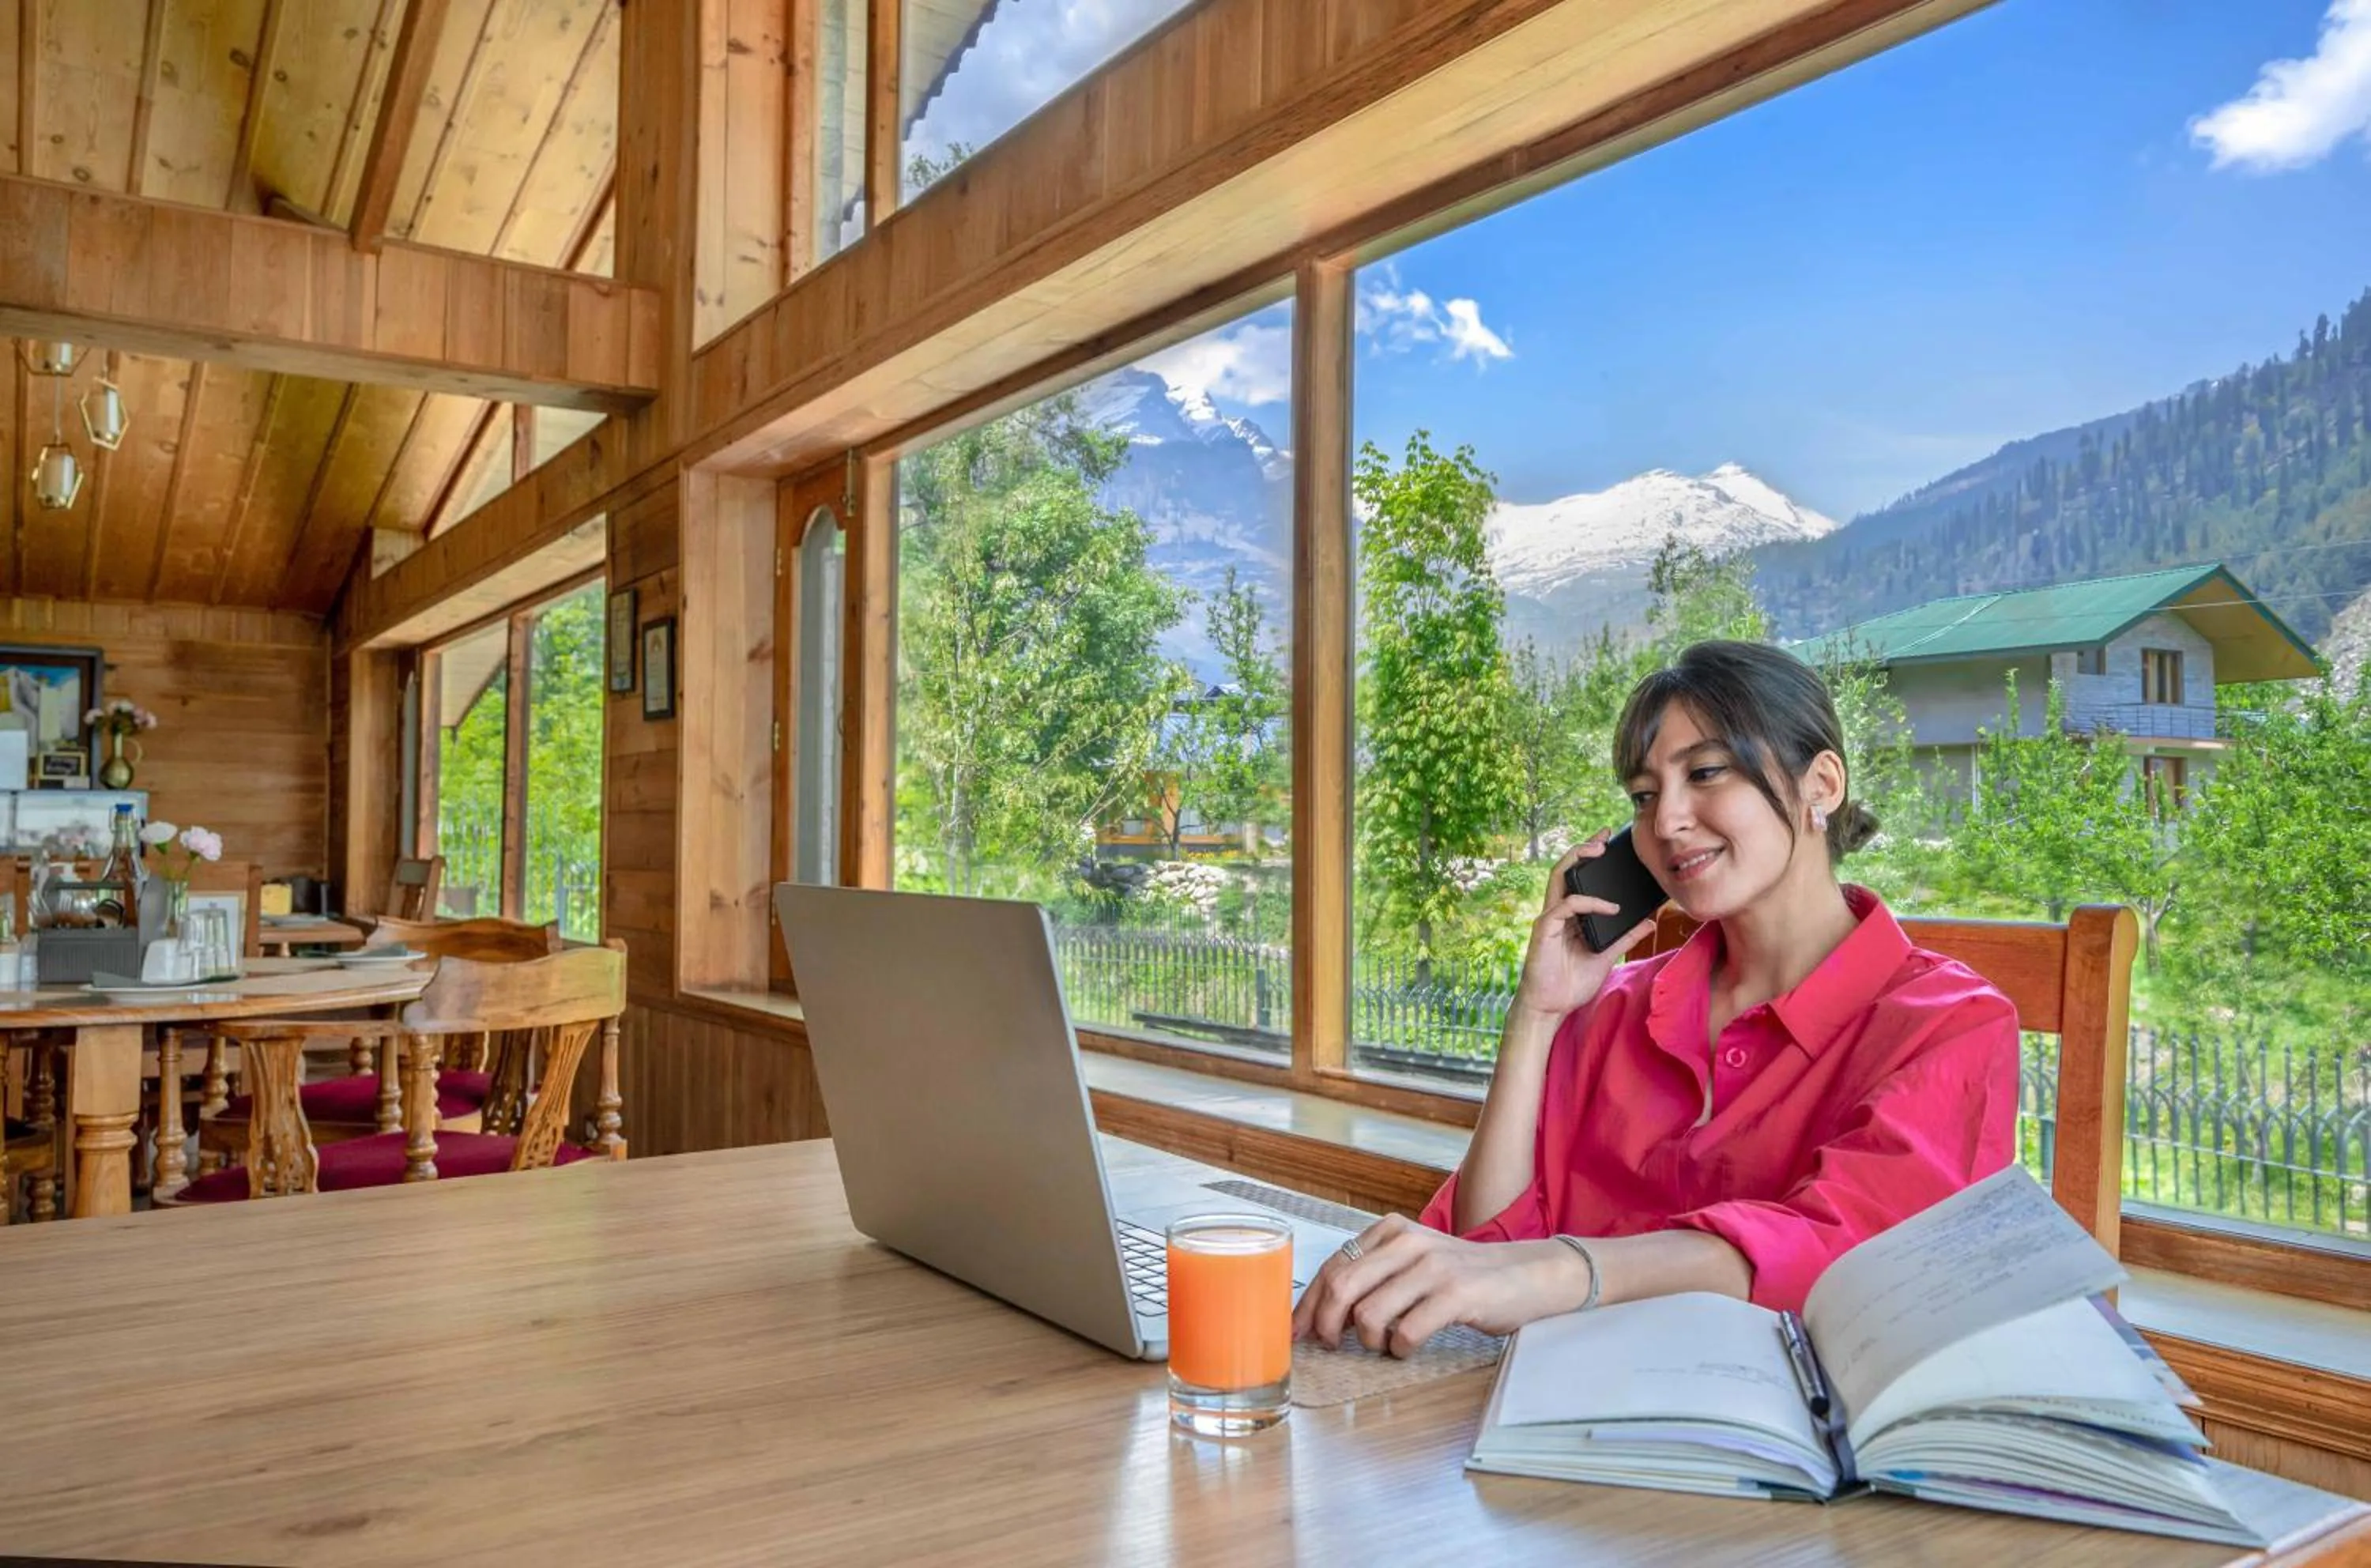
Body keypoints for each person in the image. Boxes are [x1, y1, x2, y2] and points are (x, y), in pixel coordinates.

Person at [1293, 639, 2018, 1356]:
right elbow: (1485, 1245)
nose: (1666, 820)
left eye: (1705, 772)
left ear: (1821, 785)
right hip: (1558, 1414)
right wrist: (1538, 1013)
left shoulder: (1952, 1026)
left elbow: (1854, 1255)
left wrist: (1560, 1269)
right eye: (1643, 796)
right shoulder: (1614, 1008)